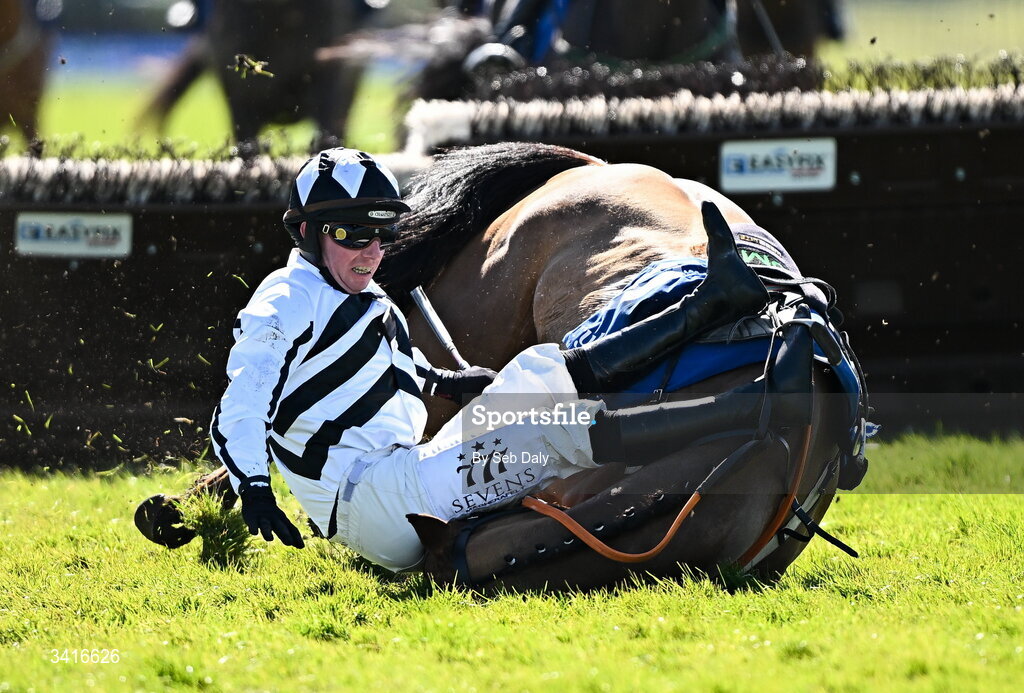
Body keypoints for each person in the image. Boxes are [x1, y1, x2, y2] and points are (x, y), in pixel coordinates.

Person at [213, 147, 772, 572]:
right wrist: (254, 489)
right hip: (375, 508)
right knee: (548, 427)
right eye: (354, 234)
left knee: (537, 372)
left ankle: (712, 313)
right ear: (305, 231)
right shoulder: (282, 301)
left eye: (383, 233)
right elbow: (239, 406)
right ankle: (742, 402)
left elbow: (392, 370)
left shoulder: (363, 295)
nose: (373, 252)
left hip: (404, 473)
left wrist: (453, 382)